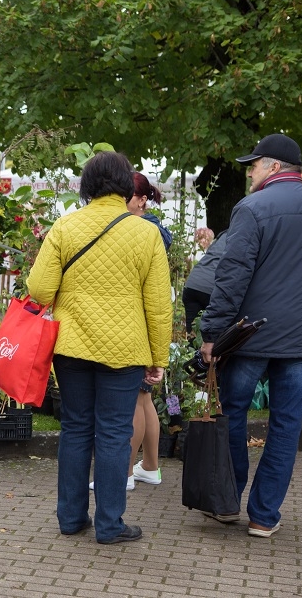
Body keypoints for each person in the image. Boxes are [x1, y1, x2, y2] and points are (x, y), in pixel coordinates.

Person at [27, 151, 171, 544]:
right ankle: (110, 525)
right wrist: (159, 358)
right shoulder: (146, 233)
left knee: (75, 429)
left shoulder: (65, 226)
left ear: (87, 185)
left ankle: (71, 518)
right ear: (127, 185)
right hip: (125, 350)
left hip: (71, 346)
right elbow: (159, 304)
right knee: (113, 433)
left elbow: (38, 290)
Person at [200, 133, 302, 538]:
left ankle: (227, 502)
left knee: (232, 413)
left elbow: (231, 277)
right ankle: (264, 516)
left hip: (251, 338)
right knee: (285, 426)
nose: (250, 172)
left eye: (255, 164)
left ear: (274, 167)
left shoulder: (252, 208)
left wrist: (212, 332)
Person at [127, 172, 171, 489]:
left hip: (138, 323)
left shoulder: (143, 231)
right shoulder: (155, 229)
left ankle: (125, 473)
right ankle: (150, 467)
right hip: (145, 324)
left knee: (133, 400)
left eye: (125, 197)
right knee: (144, 399)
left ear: (142, 200)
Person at [183, 229, 229, 337]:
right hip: (212, 288)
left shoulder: (223, 235)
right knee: (212, 336)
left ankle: (190, 351)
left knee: (193, 335)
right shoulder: (243, 237)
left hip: (192, 284)